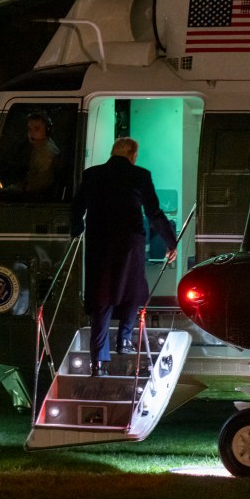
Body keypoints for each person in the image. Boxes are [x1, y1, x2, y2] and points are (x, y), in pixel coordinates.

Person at [71, 137, 177, 377]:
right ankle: (124, 340)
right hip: (130, 242)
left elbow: (78, 206)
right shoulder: (140, 175)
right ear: (133, 154)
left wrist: (76, 230)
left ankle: (98, 361)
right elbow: (154, 211)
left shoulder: (92, 174)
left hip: (99, 242)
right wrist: (171, 242)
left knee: (102, 295)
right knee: (133, 289)